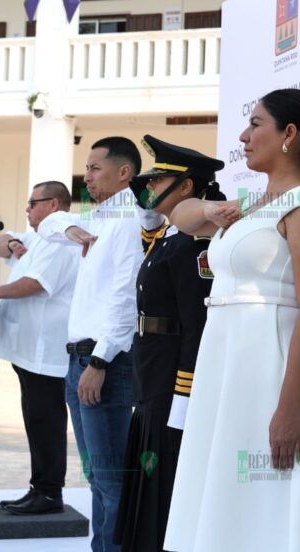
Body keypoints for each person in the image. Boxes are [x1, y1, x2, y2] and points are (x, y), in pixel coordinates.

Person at [163, 89, 300, 552]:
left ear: (289, 134)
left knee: (270, 498)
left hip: (273, 371)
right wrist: (211, 209)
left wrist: (288, 410)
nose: (244, 137)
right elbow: (178, 214)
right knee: (225, 494)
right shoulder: (250, 205)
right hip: (227, 368)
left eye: (256, 124)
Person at [113, 135, 225, 551]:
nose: (150, 188)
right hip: (151, 378)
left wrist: (184, 392)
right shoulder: (172, 238)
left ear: (187, 187)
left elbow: (197, 324)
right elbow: (155, 263)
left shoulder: (198, 245)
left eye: (159, 180)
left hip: (169, 387)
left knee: (165, 490)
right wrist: (149, 222)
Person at [37, 137, 144, 552]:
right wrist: (70, 227)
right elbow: (46, 224)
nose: (86, 176)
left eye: (95, 168)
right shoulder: (97, 217)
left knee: (111, 478)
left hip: (104, 362)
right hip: (79, 362)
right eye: (86, 168)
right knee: (97, 478)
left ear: (124, 173)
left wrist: (99, 361)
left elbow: (125, 298)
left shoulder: (131, 219)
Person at [0, 181, 80, 515]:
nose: (27, 209)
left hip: (45, 350)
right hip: (27, 349)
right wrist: (9, 242)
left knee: (46, 421)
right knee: (36, 420)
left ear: (53, 205)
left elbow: (35, 285)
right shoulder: (38, 235)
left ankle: (50, 493)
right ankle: (39, 488)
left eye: (32, 203)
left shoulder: (61, 240)